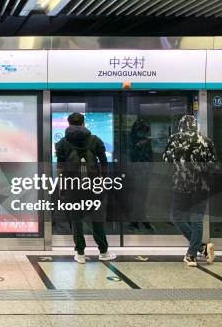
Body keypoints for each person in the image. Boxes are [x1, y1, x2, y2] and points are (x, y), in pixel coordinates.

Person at [55, 112, 116, 263]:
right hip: (93, 185)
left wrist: (62, 188)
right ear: (83, 123)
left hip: (72, 185)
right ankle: (103, 252)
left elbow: (60, 168)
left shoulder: (62, 143)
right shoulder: (95, 140)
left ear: (69, 124)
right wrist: (103, 181)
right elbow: (103, 162)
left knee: (76, 218)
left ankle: (80, 253)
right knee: (97, 218)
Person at [164, 115, 216, 267]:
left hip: (181, 186)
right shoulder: (207, 141)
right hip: (202, 187)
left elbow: (166, 160)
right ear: (195, 126)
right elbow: (214, 164)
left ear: (180, 126)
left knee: (176, 216)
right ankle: (196, 251)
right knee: (197, 220)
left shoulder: (174, 139)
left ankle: (195, 251)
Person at [128, 118, 155, 232]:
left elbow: (149, 158)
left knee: (141, 197)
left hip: (143, 173)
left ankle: (138, 220)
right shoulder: (135, 143)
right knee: (137, 197)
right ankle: (137, 221)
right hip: (136, 173)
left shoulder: (144, 142)